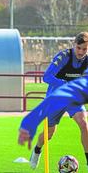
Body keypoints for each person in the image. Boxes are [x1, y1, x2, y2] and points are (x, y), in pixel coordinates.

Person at [28, 32, 88, 169]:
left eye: (85, 49)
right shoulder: (64, 56)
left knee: (84, 124)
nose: (81, 52)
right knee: (49, 134)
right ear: (74, 45)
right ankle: (37, 150)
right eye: (78, 48)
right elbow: (46, 76)